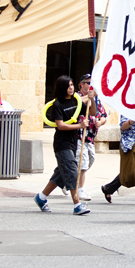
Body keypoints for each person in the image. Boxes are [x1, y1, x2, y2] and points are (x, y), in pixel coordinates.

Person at [34, 75, 91, 215]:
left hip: (73, 142)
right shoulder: (57, 104)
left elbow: (92, 112)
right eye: (68, 86)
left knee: (60, 174)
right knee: (72, 172)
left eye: (72, 85)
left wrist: (91, 98)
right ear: (62, 88)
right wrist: (79, 125)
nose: (71, 88)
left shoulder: (76, 101)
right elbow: (60, 126)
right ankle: (77, 204)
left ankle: (41, 197)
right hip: (62, 143)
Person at [101, 115, 135, 206]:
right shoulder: (127, 111)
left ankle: (108, 188)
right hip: (129, 145)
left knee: (130, 170)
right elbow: (123, 127)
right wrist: (131, 121)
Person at [74, 73, 104, 201]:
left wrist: (100, 122)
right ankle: (80, 189)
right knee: (83, 163)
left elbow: (102, 115)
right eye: (88, 83)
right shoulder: (77, 96)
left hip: (91, 137)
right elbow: (76, 102)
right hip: (79, 136)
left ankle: (65, 179)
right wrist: (88, 97)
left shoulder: (95, 99)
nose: (90, 85)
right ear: (81, 84)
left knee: (89, 160)